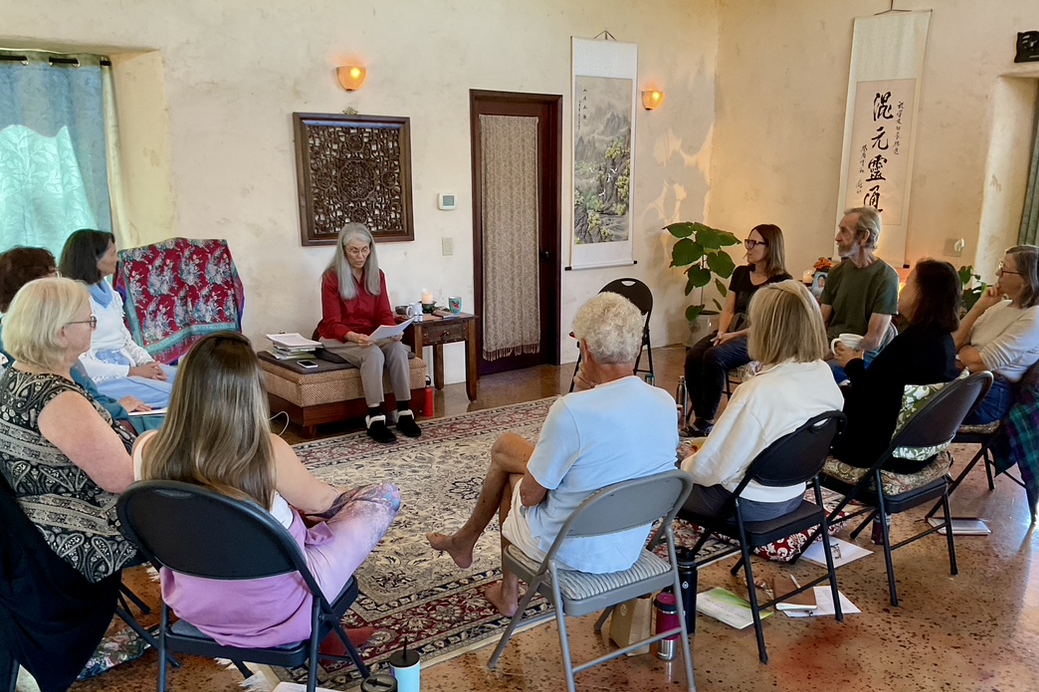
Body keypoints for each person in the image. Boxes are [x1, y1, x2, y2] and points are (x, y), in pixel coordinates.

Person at [134, 332, 400, 650]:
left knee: (282, 518)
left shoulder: (145, 448)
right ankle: (322, 633)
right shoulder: (266, 451)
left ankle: (325, 633)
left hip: (196, 604)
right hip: (280, 610)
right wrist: (351, 494)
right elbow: (326, 501)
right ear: (253, 392)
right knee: (383, 497)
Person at [427, 293, 679, 616]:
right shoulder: (664, 403)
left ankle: (506, 592)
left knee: (513, 476)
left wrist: (582, 398)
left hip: (570, 551)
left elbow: (531, 498)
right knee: (509, 449)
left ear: (585, 349)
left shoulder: (571, 411)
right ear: (637, 347)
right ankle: (465, 542)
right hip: (627, 547)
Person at [0, 277, 139, 583]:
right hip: (86, 531)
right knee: (207, 504)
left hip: (38, 525)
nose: (94, 326)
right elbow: (123, 479)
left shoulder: (17, 374)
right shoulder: (57, 399)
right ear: (62, 333)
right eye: (89, 320)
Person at [680, 280, 843, 522]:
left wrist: (684, 463)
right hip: (793, 492)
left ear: (767, 331)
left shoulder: (758, 392)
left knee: (656, 475)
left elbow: (708, 471)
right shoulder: (822, 372)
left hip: (744, 504)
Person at [0, 246, 161, 432]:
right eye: (54, 274)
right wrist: (118, 404)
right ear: (35, 288)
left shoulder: (44, 335)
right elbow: (75, 405)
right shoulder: (45, 342)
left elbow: (87, 391)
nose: (60, 281)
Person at [831, 259, 962, 470]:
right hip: (918, 450)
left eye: (909, 283)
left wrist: (852, 364)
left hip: (875, 452)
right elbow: (889, 388)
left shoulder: (916, 343)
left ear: (924, 294)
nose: (902, 289)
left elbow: (871, 399)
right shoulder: (942, 341)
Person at [683, 224, 792, 435]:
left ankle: (707, 420)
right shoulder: (741, 272)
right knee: (694, 356)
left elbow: (766, 323)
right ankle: (700, 415)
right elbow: (729, 308)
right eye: (748, 242)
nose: (748, 247)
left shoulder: (782, 282)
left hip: (757, 336)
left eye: (754, 243)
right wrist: (722, 332)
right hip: (730, 331)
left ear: (770, 247)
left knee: (714, 357)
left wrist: (733, 335)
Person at [317, 222, 421, 444]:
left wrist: (393, 330)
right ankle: (375, 418)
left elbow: (384, 312)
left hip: (370, 334)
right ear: (343, 250)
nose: (360, 255)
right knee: (372, 353)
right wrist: (354, 337)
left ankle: (404, 412)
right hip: (338, 337)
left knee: (398, 349)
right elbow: (332, 322)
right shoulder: (331, 278)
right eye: (354, 250)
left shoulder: (377, 274)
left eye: (365, 249)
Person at [58, 229, 175, 407]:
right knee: (180, 396)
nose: (118, 259)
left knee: (193, 382)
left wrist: (149, 364)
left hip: (128, 369)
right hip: (101, 379)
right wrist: (132, 371)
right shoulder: (72, 299)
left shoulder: (111, 295)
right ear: (93, 259)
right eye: (112, 254)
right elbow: (79, 362)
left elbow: (125, 340)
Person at [952, 245, 1039, 424]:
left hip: (989, 394)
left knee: (912, 408)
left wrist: (967, 349)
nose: (997, 273)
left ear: (1026, 279)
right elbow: (953, 343)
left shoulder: (1037, 317)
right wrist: (980, 306)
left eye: (1004, 269)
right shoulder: (1001, 306)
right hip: (967, 379)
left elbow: (980, 363)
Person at [821, 207, 900, 365]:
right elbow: (821, 323)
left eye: (844, 232)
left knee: (821, 374)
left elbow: (873, 340)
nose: (837, 238)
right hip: (829, 348)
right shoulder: (836, 272)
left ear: (864, 237)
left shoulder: (886, 277)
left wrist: (839, 356)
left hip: (861, 354)